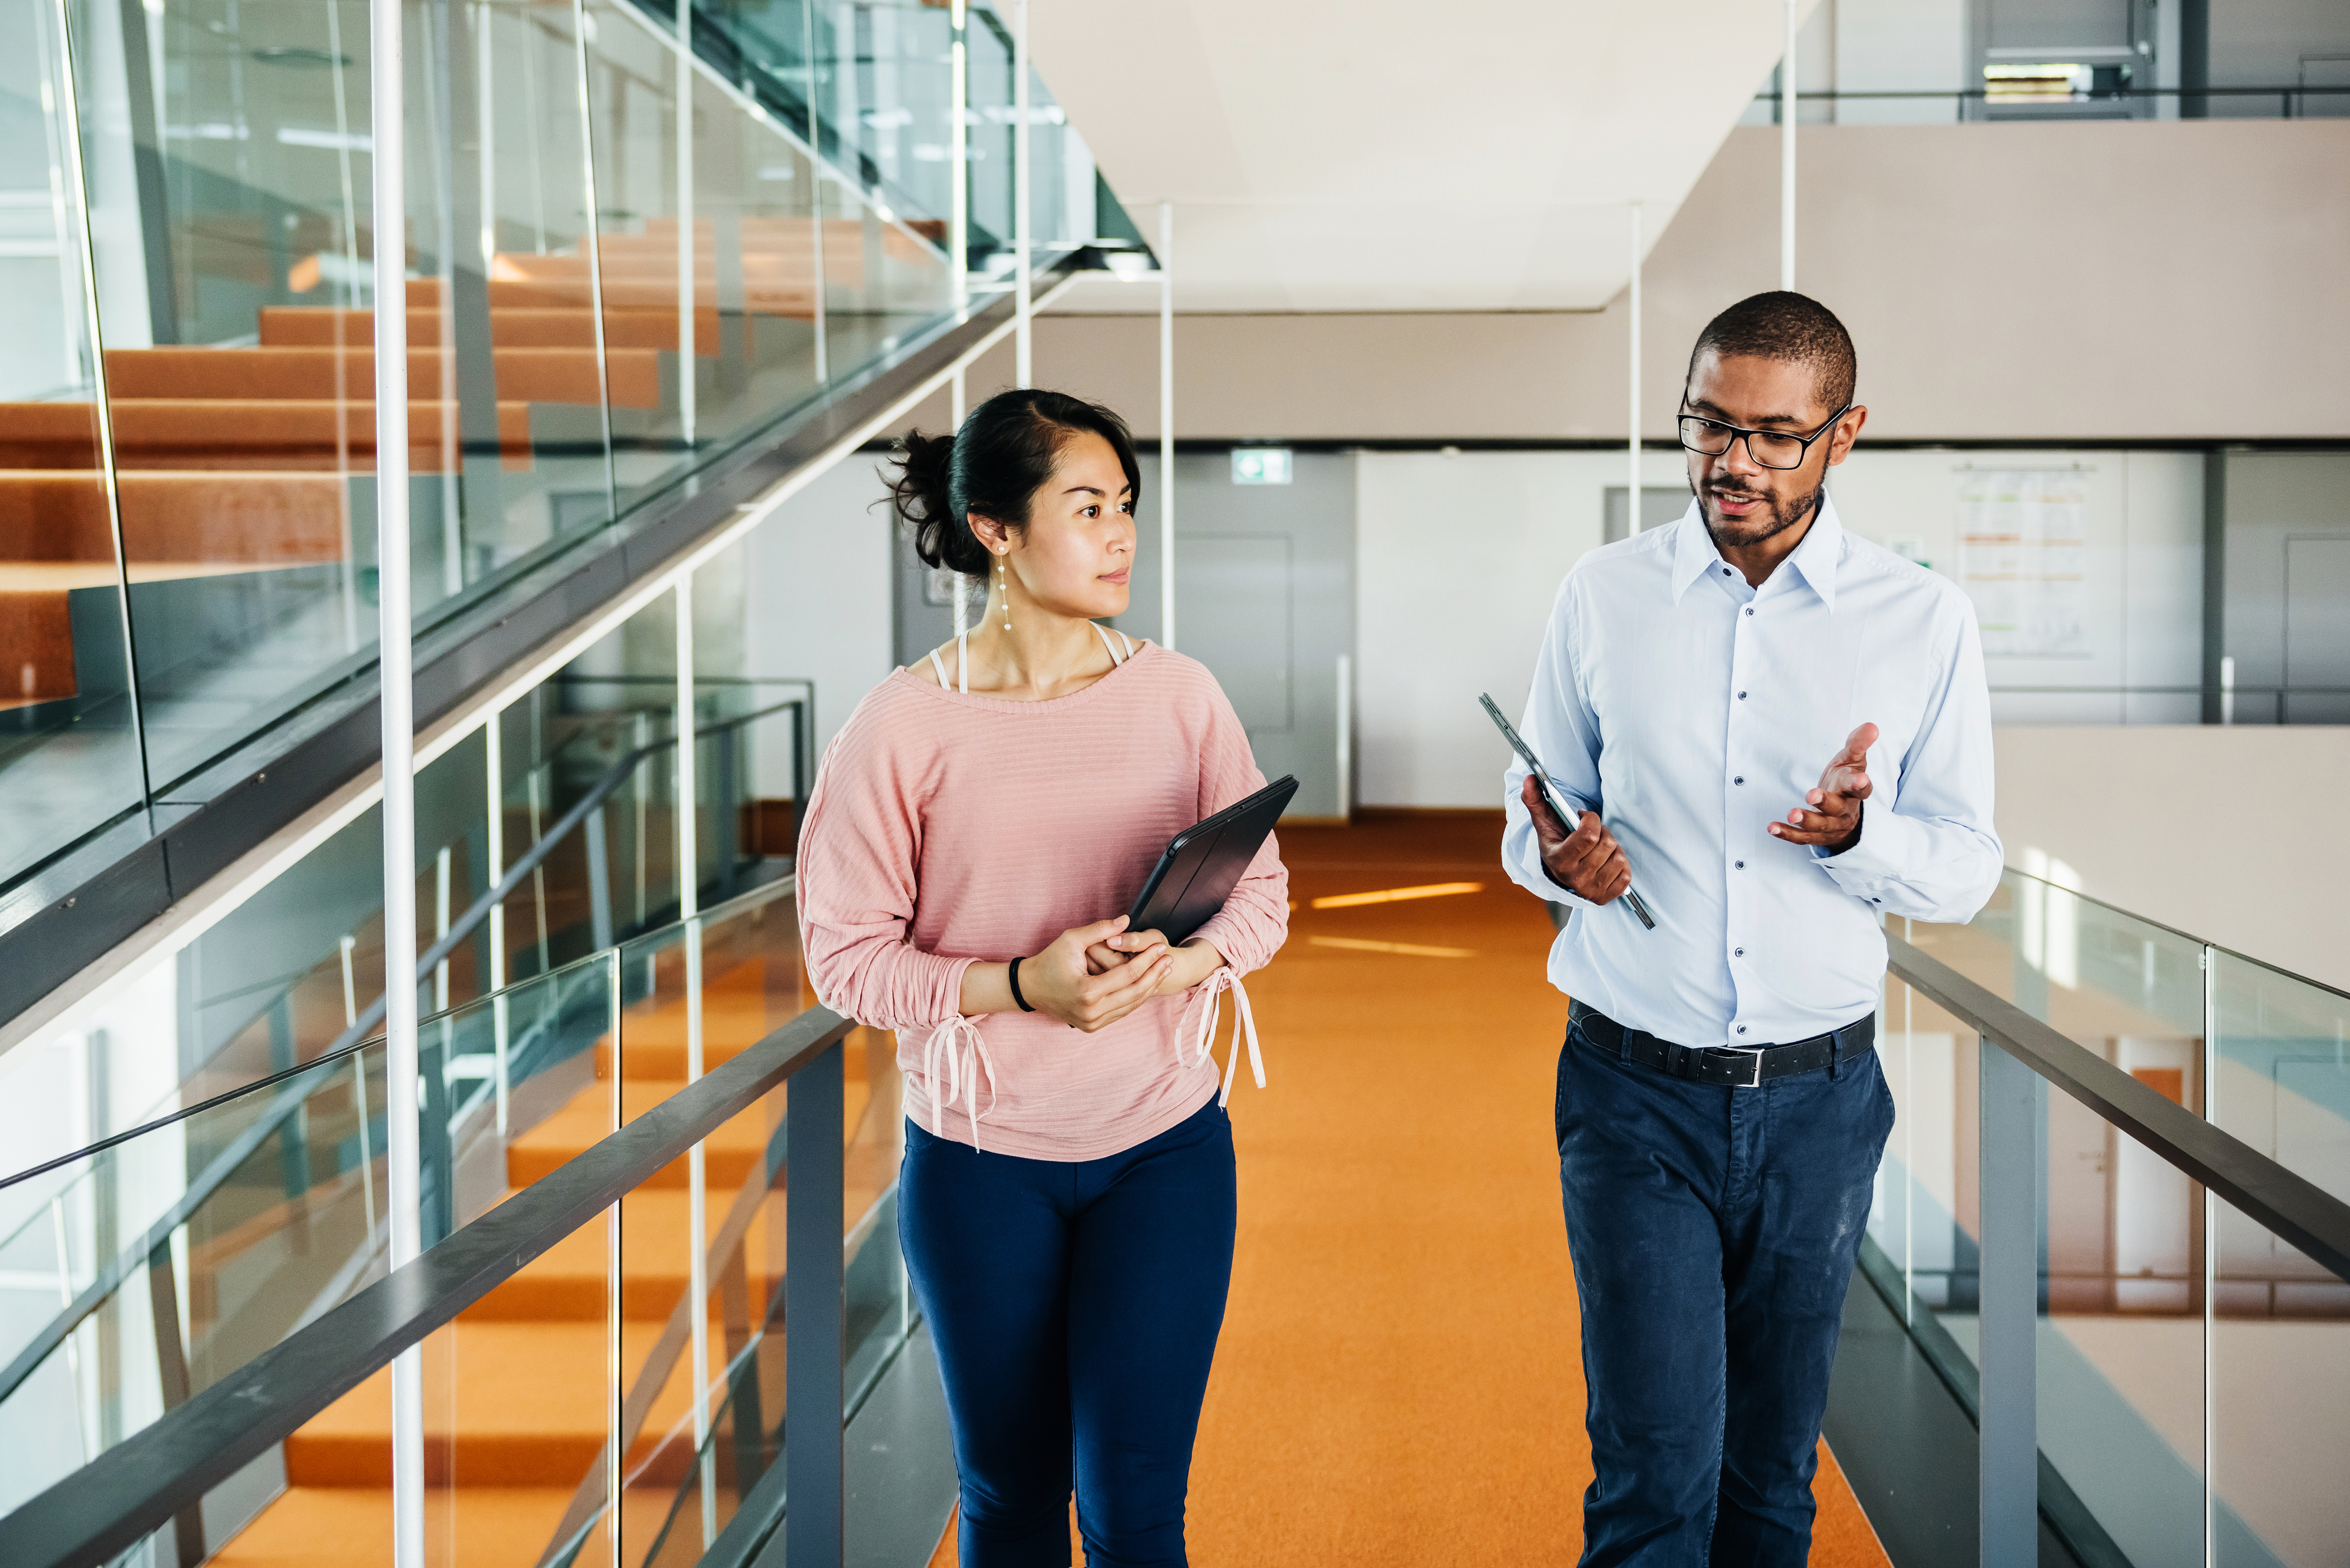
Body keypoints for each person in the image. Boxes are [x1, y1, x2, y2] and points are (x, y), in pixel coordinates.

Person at [1501, 292, 2000, 1565]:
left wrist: (1858, 841)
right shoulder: (1604, 593)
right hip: (1630, 1088)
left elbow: (1965, 870)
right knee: (1651, 1476)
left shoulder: (1919, 619)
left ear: (1844, 436)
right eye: (1707, 426)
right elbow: (1532, 812)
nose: (1731, 462)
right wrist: (1562, 858)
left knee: (1770, 1482)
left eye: (1775, 435)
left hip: (1817, 1106)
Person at [796, 388, 1288, 1567]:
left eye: (1125, 506)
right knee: (1009, 1503)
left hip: (1162, 1151)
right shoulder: (901, 726)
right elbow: (842, 960)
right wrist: (1020, 985)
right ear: (995, 530)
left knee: (1133, 1516)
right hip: (977, 1165)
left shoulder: (1179, 695)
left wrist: (1180, 960)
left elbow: (1260, 901)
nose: (1120, 534)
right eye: (1086, 506)